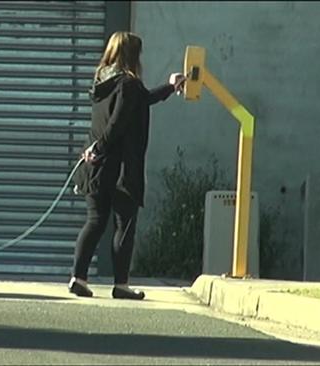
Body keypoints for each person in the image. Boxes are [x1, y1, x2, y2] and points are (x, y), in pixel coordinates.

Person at [69, 31, 185, 300]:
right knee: (125, 224)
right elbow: (118, 122)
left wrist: (169, 86)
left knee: (95, 222)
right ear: (133, 56)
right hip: (121, 168)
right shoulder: (129, 85)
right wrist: (100, 147)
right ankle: (121, 285)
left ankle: (79, 277)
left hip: (96, 166)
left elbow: (139, 101)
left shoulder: (102, 81)